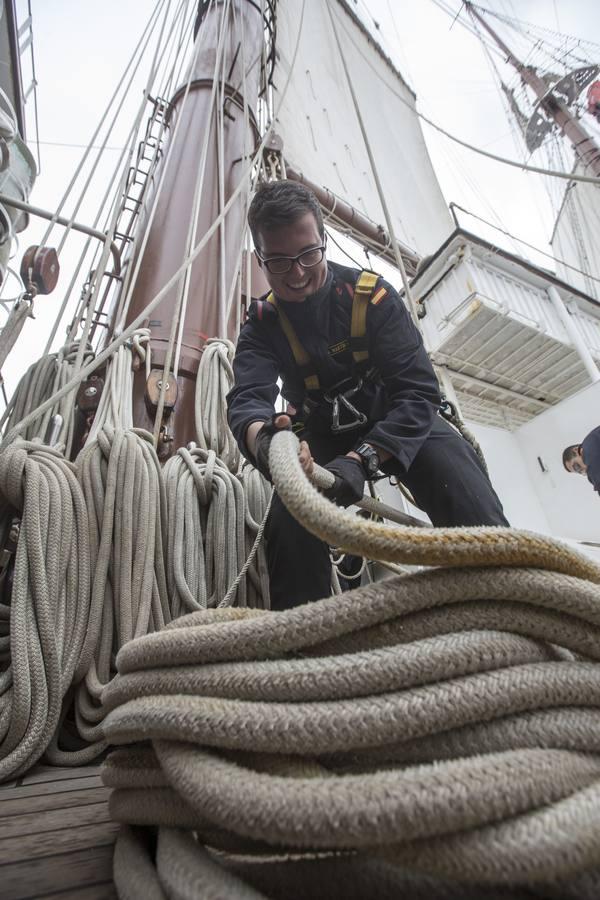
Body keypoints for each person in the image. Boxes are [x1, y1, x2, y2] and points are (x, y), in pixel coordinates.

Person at [227, 180, 508, 610]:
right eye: (279, 262)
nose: (297, 273)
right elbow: (248, 402)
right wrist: (269, 446)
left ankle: (505, 608)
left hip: (398, 418)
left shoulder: (373, 298)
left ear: (323, 239)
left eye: (308, 254)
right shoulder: (262, 325)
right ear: (260, 259)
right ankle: (307, 639)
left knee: (465, 494)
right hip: (318, 435)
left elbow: (418, 392)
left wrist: (363, 459)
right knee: (289, 526)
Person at [562, 426, 600, 495]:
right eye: (579, 472)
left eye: (577, 467)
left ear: (576, 450)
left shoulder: (589, 446)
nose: (583, 470)